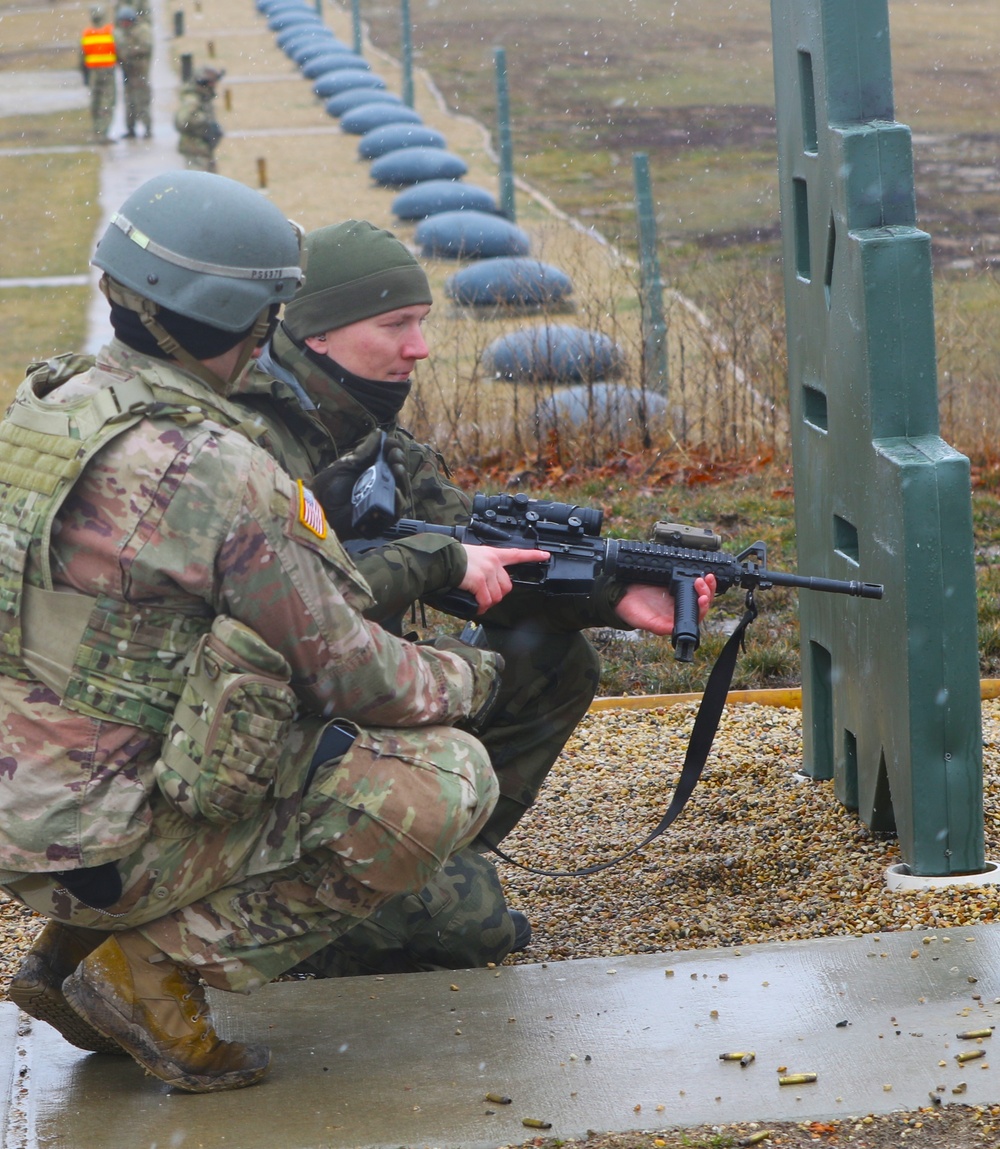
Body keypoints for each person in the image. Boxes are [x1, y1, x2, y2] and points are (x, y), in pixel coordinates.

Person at [0, 172, 554, 1093]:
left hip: (29, 810)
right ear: (247, 318)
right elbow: (351, 671)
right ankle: (150, 970)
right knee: (443, 779)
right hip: (104, 839)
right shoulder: (218, 468)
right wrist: (470, 678)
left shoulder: (48, 405)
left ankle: (64, 960)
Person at [243, 220, 716, 976]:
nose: (420, 348)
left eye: (422, 323)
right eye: (395, 325)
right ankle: (282, 907)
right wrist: (437, 560)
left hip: (352, 708)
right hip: (257, 745)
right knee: (473, 931)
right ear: (319, 335)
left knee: (554, 659)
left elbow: (475, 553)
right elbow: (301, 598)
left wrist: (615, 592)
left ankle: (423, 855)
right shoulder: (247, 447)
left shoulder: (369, 434)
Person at [174, 64, 224, 171]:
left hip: (202, 149)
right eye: (212, 82)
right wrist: (204, 124)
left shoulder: (203, 97)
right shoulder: (193, 100)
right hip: (195, 149)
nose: (215, 85)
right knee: (199, 183)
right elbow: (183, 120)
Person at [80, 5, 117, 144]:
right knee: (107, 102)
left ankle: (96, 131)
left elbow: (82, 57)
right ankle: (103, 132)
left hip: (93, 73)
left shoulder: (87, 34)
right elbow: (119, 51)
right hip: (108, 73)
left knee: (95, 102)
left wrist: (85, 76)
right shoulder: (110, 32)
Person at [114, 6, 152, 139]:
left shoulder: (142, 30)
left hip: (139, 73)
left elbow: (146, 47)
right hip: (128, 74)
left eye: (125, 22)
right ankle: (131, 129)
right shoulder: (121, 32)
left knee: (142, 101)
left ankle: (147, 128)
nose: (123, 24)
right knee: (129, 103)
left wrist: (129, 52)